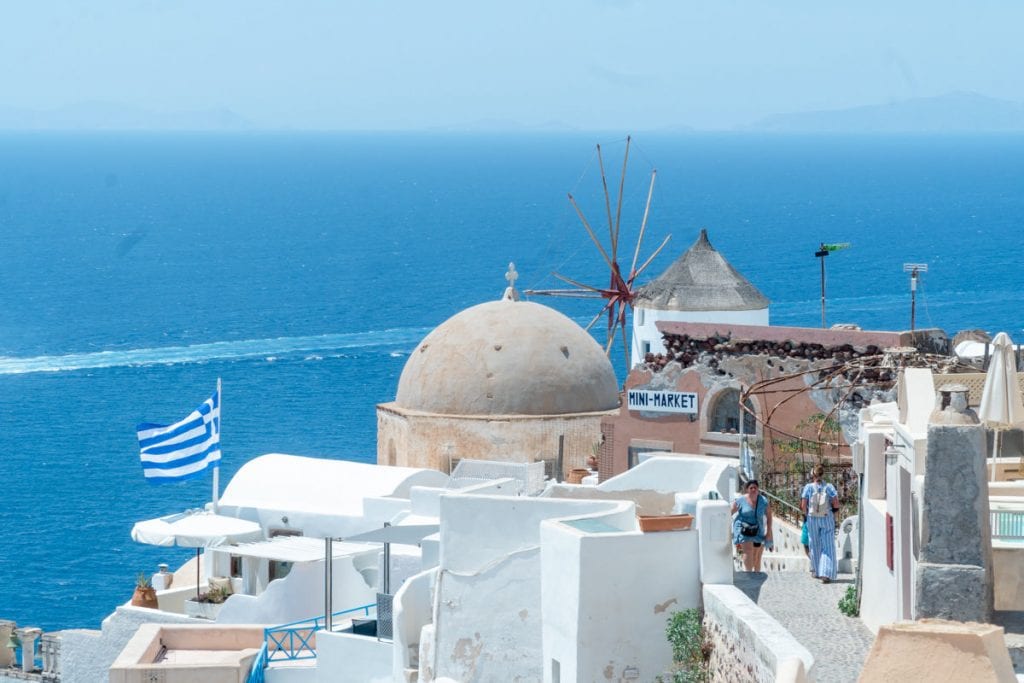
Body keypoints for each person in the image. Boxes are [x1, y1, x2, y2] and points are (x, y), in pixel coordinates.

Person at [801, 463, 840, 583]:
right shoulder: (829, 487)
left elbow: (803, 506)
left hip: (812, 519)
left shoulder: (808, 487)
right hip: (826, 518)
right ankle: (825, 573)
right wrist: (834, 513)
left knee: (815, 544)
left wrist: (806, 516)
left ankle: (817, 571)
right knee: (827, 546)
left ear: (812, 474)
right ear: (823, 474)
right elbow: (836, 504)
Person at [732, 479, 773, 572]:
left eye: (755, 488)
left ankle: (755, 575)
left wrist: (769, 532)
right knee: (748, 550)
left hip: (758, 531)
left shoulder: (763, 501)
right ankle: (748, 574)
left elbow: (769, 516)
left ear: (758, 489)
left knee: (756, 557)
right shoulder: (740, 500)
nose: (753, 489)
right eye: (751, 488)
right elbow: (730, 511)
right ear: (747, 489)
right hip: (743, 529)